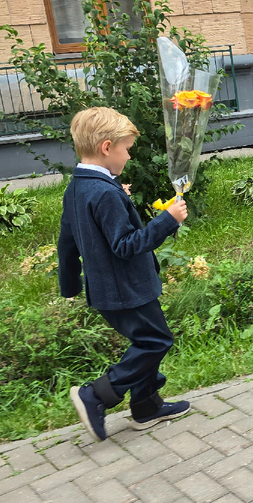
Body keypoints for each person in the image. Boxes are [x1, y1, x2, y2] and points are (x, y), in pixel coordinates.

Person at [58, 106, 191, 442]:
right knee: (156, 341)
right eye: (127, 148)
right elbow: (126, 245)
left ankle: (146, 407)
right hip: (126, 289)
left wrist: (70, 284)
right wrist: (168, 220)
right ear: (107, 147)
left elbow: (68, 239)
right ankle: (97, 396)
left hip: (111, 290)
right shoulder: (103, 192)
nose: (129, 156)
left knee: (145, 340)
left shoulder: (81, 186)